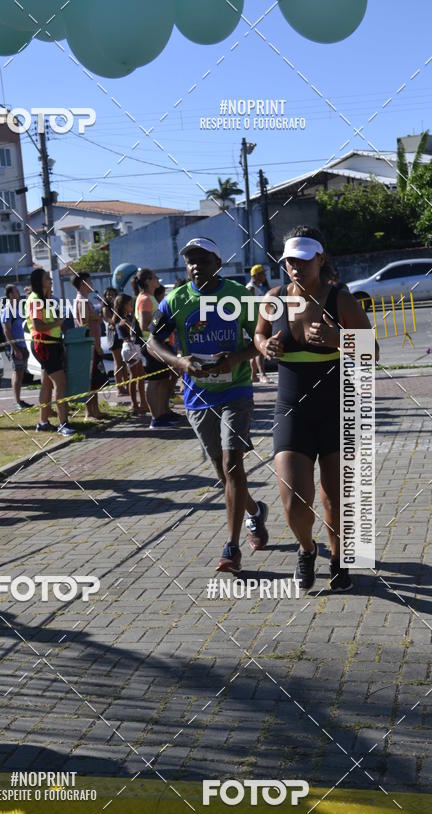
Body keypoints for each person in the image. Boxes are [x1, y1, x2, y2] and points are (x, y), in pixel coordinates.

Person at [254, 225, 379, 592]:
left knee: (335, 497)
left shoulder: (339, 298)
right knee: (293, 499)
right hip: (291, 410)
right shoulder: (274, 298)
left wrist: (337, 339)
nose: (296, 267)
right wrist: (266, 348)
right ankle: (307, 549)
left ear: (320, 259)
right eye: (290, 261)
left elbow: (373, 352)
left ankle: (339, 558)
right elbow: (259, 336)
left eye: (304, 260)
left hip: (338, 410)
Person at [147, 237, 269, 573]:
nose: (194, 265)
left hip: (236, 389)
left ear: (218, 262)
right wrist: (181, 363)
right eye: (189, 260)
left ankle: (231, 548)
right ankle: (255, 512)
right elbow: (153, 339)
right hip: (198, 395)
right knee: (221, 470)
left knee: (233, 465)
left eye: (201, 258)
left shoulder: (239, 296)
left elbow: (263, 339)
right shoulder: (176, 299)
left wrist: (238, 358)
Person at [26, 268, 74, 435]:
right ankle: (63, 424)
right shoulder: (35, 300)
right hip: (44, 344)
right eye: (47, 278)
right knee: (60, 383)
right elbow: (38, 325)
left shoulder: (45, 299)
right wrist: (58, 322)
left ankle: (43, 422)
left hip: (52, 343)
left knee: (46, 384)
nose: (51, 280)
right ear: (39, 281)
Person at [132, 268, 181, 430]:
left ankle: (163, 413)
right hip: (151, 345)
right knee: (154, 382)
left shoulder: (150, 298)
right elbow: (145, 325)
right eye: (154, 277)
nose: (157, 279)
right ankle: (156, 418)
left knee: (162, 380)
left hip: (159, 344)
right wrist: (165, 325)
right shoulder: (145, 299)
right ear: (147, 280)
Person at [73, 272, 109, 422]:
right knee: (89, 381)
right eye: (89, 281)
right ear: (82, 284)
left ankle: (95, 410)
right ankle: (89, 412)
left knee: (95, 381)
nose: (92, 283)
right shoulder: (81, 301)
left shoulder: (85, 300)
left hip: (94, 345)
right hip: (89, 346)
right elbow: (84, 326)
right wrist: (95, 345)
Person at [114, 292, 147, 414]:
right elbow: (127, 336)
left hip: (135, 347)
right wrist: (129, 324)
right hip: (129, 348)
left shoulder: (130, 318)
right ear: (123, 305)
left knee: (141, 375)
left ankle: (143, 402)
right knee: (133, 376)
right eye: (129, 304)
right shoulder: (122, 321)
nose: (131, 306)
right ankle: (134, 404)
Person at [0, 284, 32, 410]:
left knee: (20, 373)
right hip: (16, 346)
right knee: (17, 373)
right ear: (11, 295)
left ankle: (19, 400)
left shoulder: (16, 308)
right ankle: (17, 401)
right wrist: (15, 348)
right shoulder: (7, 310)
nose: (19, 293)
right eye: (16, 291)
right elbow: (6, 330)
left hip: (22, 344)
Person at [246, 265, 270, 384]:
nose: (265, 276)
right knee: (260, 349)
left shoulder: (258, 287)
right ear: (255, 275)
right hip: (254, 322)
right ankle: (263, 375)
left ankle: (253, 375)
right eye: (262, 273)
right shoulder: (251, 288)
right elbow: (248, 307)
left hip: (258, 321)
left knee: (255, 349)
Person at [102, 285, 127, 396]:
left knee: (124, 362)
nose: (110, 296)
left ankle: (127, 385)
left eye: (112, 294)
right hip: (113, 336)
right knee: (117, 362)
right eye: (108, 295)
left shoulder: (120, 308)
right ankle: (119, 388)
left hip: (122, 334)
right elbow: (111, 321)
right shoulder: (106, 309)